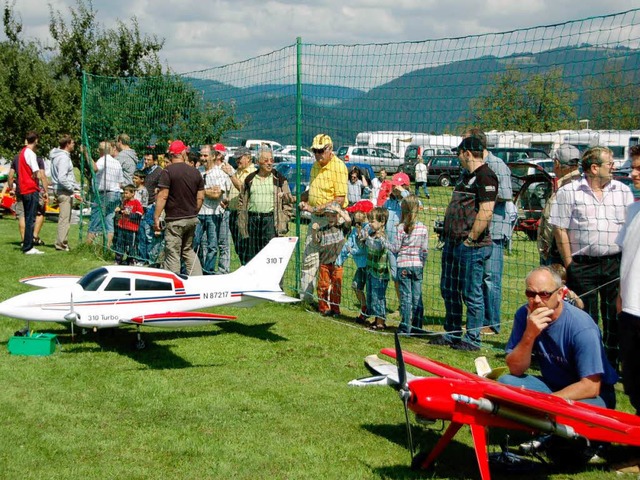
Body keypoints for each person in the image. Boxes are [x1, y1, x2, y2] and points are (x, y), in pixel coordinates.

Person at [550, 146, 633, 369]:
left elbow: (631, 228)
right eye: (610, 163)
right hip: (582, 265)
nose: (614, 166)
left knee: (615, 316)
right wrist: (570, 265)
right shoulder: (569, 192)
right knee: (585, 317)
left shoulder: (623, 191)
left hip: (615, 263)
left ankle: (612, 363)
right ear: (594, 168)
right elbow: (560, 229)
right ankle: (586, 361)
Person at [500, 266, 617, 409]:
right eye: (530, 293)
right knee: (506, 382)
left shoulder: (582, 327)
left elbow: (591, 387)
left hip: (590, 396)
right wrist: (529, 335)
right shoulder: (524, 315)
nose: (536, 300)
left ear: (560, 294)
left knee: (577, 410)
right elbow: (515, 369)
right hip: (552, 386)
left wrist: (547, 402)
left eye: (544, 294)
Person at [435, 136, 497, 351]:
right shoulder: (464, 176)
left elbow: (486, 211)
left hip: (471, 247)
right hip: (452, 243)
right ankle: (452, 333)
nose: (458, 157)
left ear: (467, 153)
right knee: (449, 289)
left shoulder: (486, 176)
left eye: (459, 153)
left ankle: (472, 339)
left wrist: (471, 239)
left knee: (472, 293)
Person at [464, 128, 515, 336]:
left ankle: (492, 323)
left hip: (494, 230)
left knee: (491, 278)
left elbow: (505, 194)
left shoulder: (496, 165)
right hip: (477, 229)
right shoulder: (470, 168)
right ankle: (478, 319)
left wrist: (484, 194)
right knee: (477, 277)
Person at [298, 134, 348, 303]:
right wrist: (299, 198)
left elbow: (339, 199)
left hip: (332, 222)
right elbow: (312, 191)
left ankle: (330, 303)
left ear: (329, 149)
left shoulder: (339, 167)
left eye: (320, 151)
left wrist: (315, 208)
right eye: (315, 151)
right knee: (309, 259)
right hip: (315, 220)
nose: (317, 154)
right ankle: (305, 299)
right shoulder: (314, 167)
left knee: (330, 265)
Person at [154, 140, 204, 276]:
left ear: (171, 155)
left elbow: (163, 196)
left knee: (173, 253)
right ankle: (198, 281)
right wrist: (194, 211)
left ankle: (172, 286)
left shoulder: (168, 171)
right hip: (191, 219)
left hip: (175, 220)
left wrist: (156, 216)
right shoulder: (195, 172)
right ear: (183, 153)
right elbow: (200, 197)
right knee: (188, 251)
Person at [616, 144, 640, 415]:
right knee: (634, 383)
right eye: (633, 168)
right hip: (630, 312)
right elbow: (627, 258)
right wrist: (621, 297)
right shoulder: (633, 211)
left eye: (639, 169)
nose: (633, 173)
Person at [238, 146, 294, 262]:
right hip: (253, 221)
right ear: (258, 162)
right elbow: (242, 201)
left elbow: (288, 201)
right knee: (254, 258)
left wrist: (284, 219)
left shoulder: (279, 179)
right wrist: (242, 220)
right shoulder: (250, 179)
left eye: (271, 160)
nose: (269, 163)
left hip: (270, 221)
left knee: (272, 257)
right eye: (266, 160)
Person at [388, 195, 429, 334]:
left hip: (403, 265)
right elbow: (424, 250)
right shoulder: (423, 228)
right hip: (417, 266)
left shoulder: (401, 228)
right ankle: (417, 326)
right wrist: (421, 264)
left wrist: (385, 242)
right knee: (417, 296)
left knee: (406, 296)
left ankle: (405, 326)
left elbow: (395, 248)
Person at [537, 144, 582, 265]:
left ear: (557, 163)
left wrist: (545, 249)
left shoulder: (564, 189)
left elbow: (551, 225)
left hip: (558, 253)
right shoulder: (583, 185)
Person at [194, 145, 232, 274]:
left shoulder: (219, 173)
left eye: (206, 155)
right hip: (199, 212)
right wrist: (208, 190)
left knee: (212, 246)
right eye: (201, 155)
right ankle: (193, 269)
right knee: (195, 243)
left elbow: (217, 195)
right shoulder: (198, 171)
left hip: (213, 213)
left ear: (213, 156)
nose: (203, 158)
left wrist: (200, 191)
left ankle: (208, 271)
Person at [310, 203, 351, 317]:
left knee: (336, 288)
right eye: (327, 216)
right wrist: (314, 231)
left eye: (333, 216)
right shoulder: (323, 230)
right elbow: (315, 241)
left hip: (337, 264)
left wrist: (338, 210)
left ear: (338, 216)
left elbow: (348, 220)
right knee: (323, 286)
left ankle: (335, 309)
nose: (330, 218)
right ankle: (323, 308)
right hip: (324, 263)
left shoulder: (342, 228)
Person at [12, 131, 48, 254]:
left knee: (27, 217)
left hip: (22, 188)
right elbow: (37, 172)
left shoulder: (22, 153)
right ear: (36, 140)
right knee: (31, 218)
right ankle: (28, 246)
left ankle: (26, 244)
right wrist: (43, 189)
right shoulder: (31, 154)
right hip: (30, 188)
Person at [85, 141, 124, 247]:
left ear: (100, 151)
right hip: (116, 193)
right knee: (108, 220)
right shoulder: (116, 162)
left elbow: (95, 168)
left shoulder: (103, 160)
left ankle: (87, 247)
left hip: (104, 194)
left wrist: (87, 154)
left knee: (95, 219)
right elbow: (121, 182)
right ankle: (107, 246)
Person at [222, 147, 256, 266]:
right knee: (239, 247)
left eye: (239, 158)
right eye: (236, 158)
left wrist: (231, 175)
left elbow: (243, 189)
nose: (237, 161)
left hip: (243, 216)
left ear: (248, 158)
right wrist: (228, 200)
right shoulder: (238, 172)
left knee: (245, 247)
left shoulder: (252, 173)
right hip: (233, 213)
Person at [337, 208, 370, 323]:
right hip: (361, 266)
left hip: (369, 265)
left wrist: (353, 251)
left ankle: (371, 313)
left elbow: (365, 249)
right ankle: (365, 308)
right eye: (355, 223)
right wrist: (339, 260)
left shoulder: (368, 230)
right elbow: (348, 245)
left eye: (360, 223)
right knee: (356, 286)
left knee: (366, 288)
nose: (357, 225)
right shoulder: (354, 232)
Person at [50, 135, 80, 252]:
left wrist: (76, 185)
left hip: (60, 189)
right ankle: (61, 243)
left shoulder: (57, 156)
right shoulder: (63, 158)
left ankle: (62, 242)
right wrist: (72, 188)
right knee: (64, 218)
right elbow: (62, 178)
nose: (74, 145)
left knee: (65, 218)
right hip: (63, 191)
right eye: (72, 143)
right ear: (67, 144)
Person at [365, 206, 390, 331]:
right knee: (372, 296)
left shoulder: (382, 236)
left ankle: (381, 322)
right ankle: (376, 319)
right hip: (371, 269)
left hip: (380, 274)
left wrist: (366, 238)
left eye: (372, 221)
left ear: (382, 222)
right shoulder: (372, 234)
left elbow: (377, 247)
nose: (370, 223)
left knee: (378, 297)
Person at [113, 184, 143, 265]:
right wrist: (119, 211)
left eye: (126, 193)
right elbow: (122, 211)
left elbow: (139, 215)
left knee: (131, 245)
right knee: (120, 244)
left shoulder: (137, 203)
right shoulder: (124, 202)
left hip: (131, 228)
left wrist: (130, 214)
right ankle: (118, 260)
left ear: (133, 193)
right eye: (124, 193)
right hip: (122, 227)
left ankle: (131, 260)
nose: (124, 195)